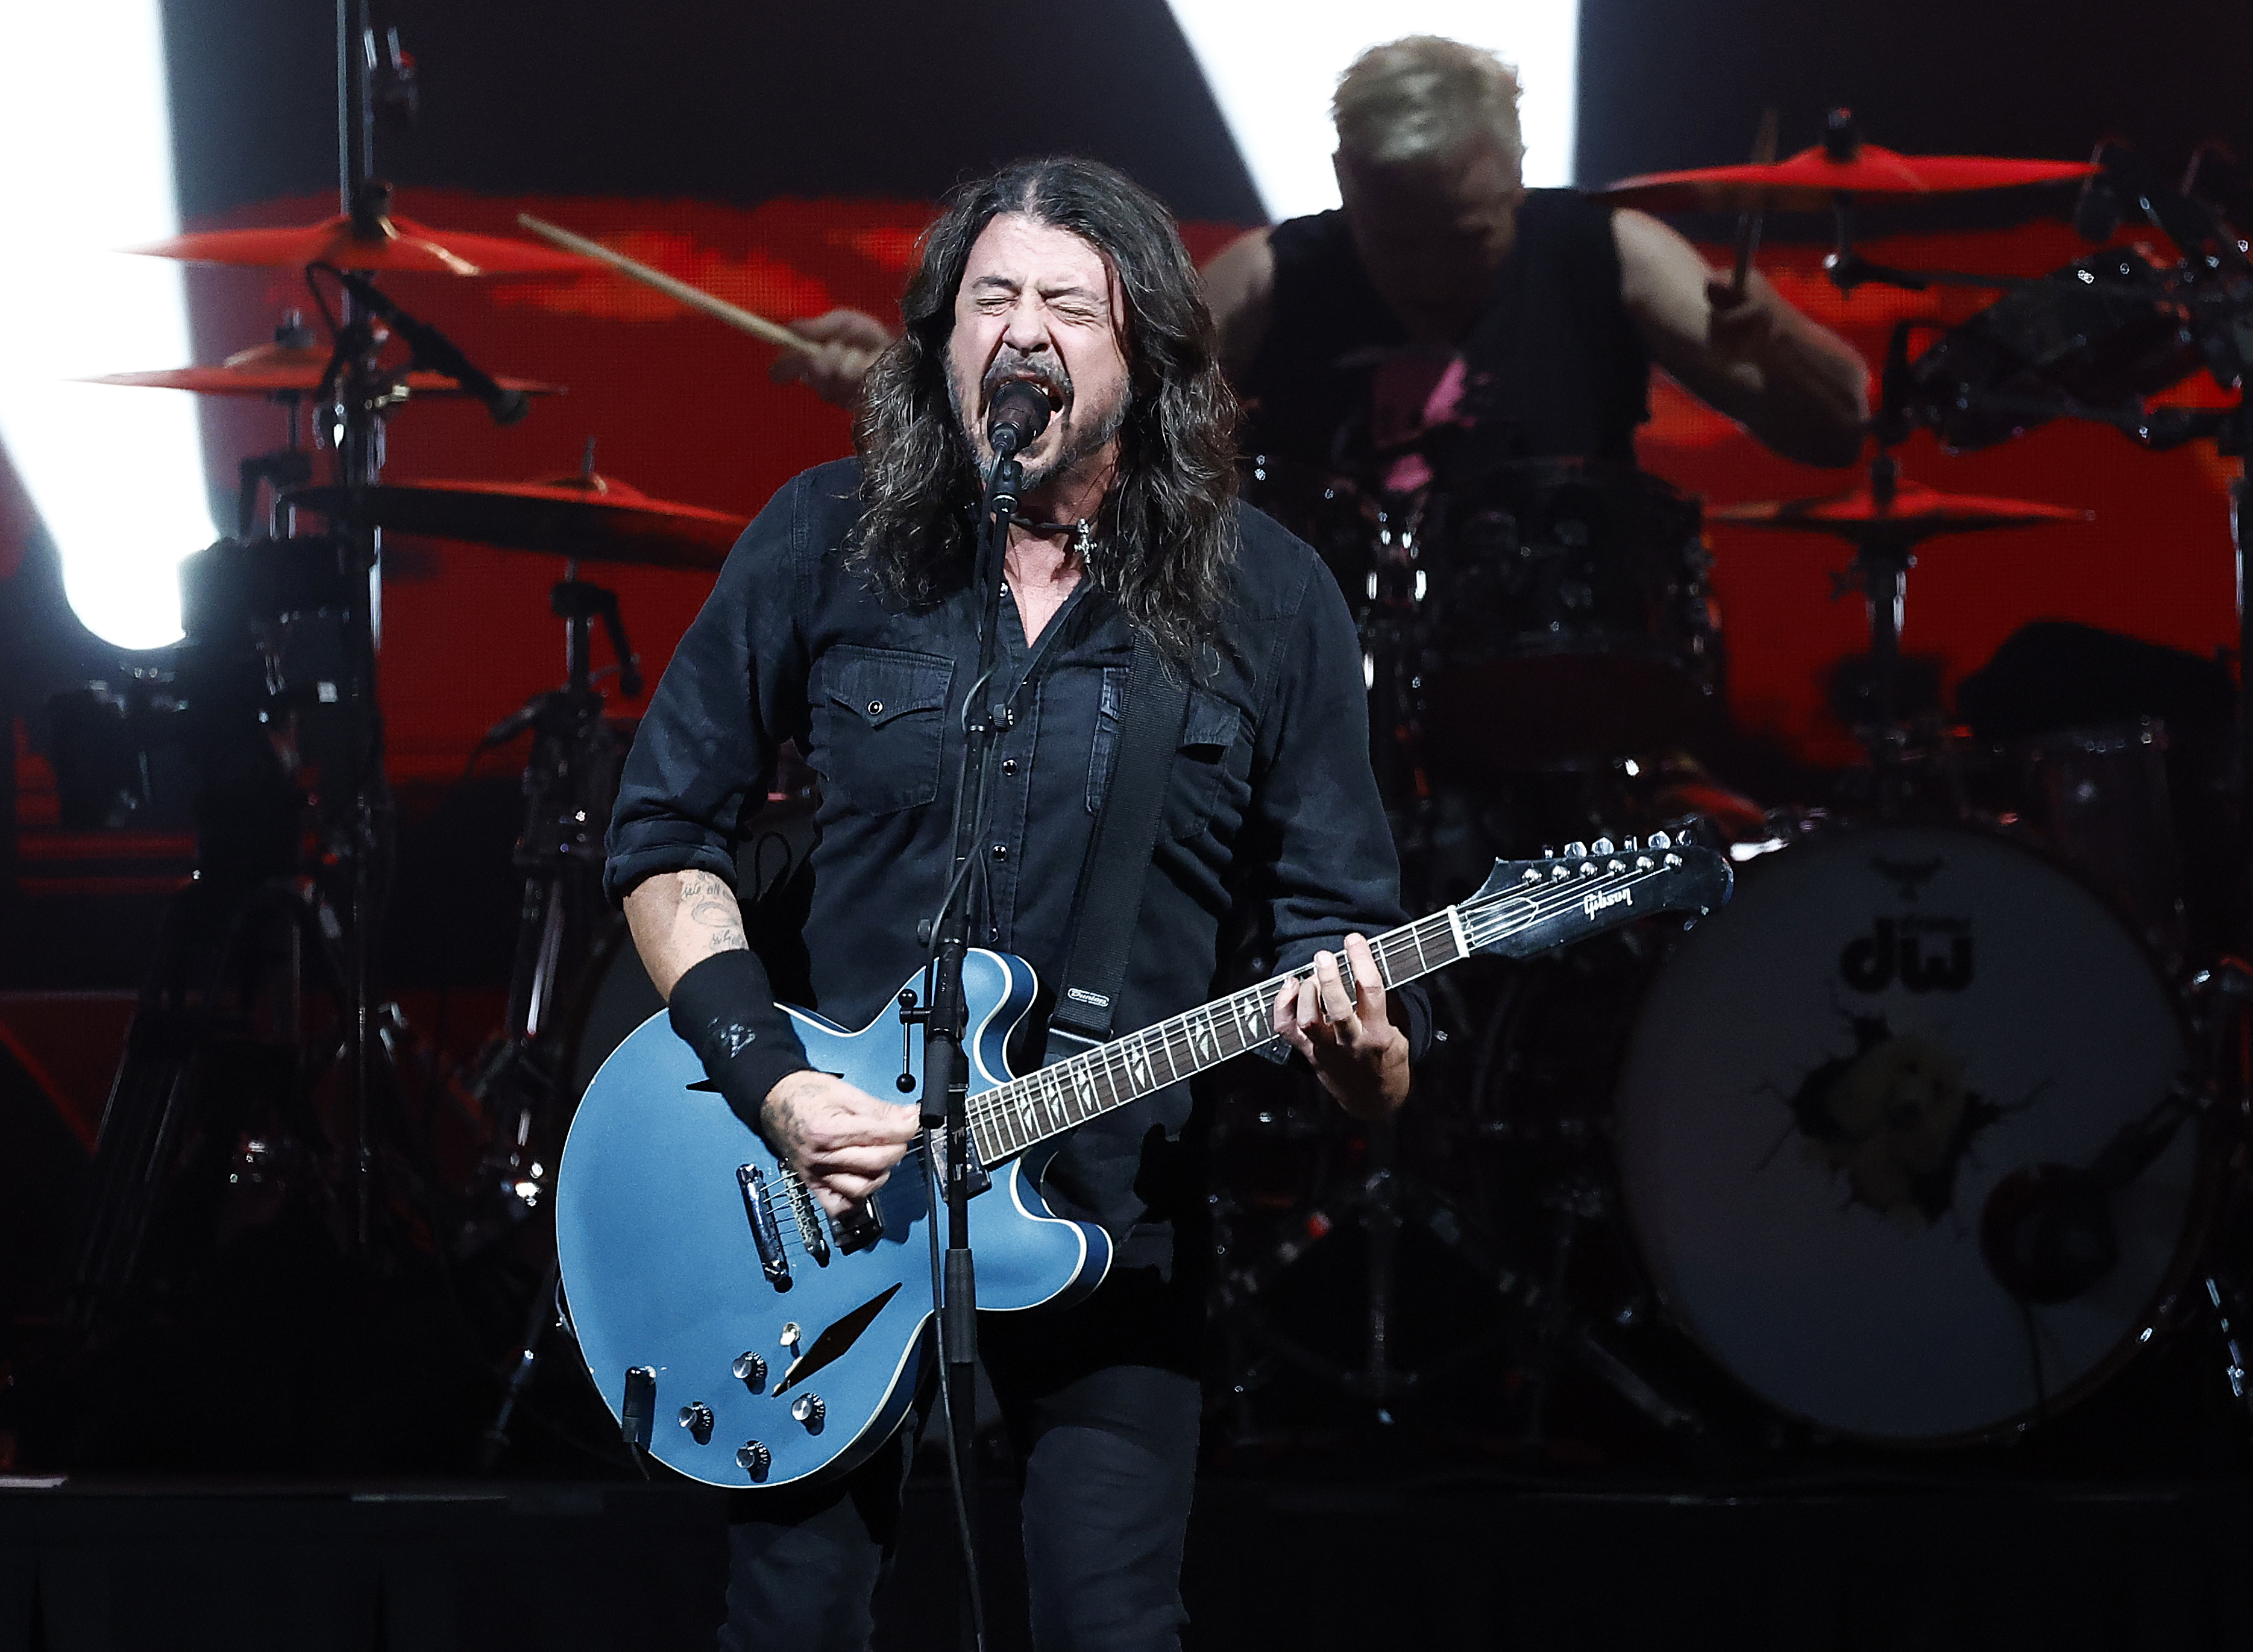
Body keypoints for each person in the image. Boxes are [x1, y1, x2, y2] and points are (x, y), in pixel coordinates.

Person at [607, 155, 1428, 1651]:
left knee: (1110, 1626)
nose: (1026, 330)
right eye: (994, 297)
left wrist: (1363, 1055)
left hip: (1111, 1220)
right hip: (827, 1207)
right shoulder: (825, 536)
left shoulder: (1272, 597)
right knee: (791, 1624)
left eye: (1070, 301)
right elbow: (666, 837)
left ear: (1147, 352)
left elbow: (1346, 938)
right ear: (942, 338)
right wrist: (775, 1086)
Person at [772, 36, 1868, 477]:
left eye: (1472, 233)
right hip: (1317, 676)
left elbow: (1833, 432)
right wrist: (910, 378)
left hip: (1578, 681)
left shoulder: (1611, 251)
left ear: (1519, 164)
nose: (1438, 272)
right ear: (1344, 184)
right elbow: (1085, 432)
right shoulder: (1267, 280)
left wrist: (1766, 334)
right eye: (1403, 238)